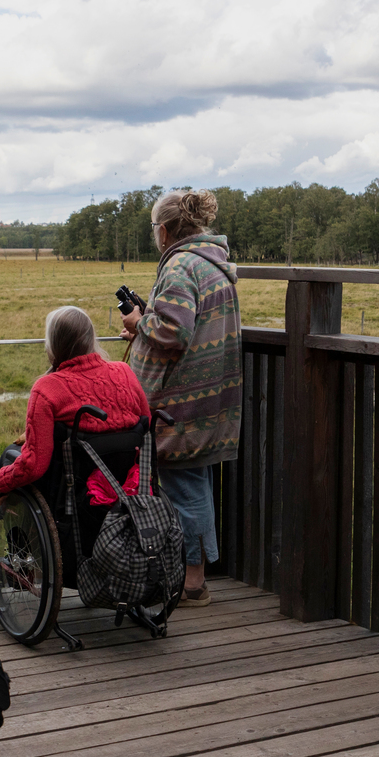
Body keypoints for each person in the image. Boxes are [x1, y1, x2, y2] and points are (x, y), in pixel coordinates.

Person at [118, 189, 242, 606]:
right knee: (195, 487)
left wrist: (139, 321)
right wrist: (144, 324)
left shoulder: (179, 266)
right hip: (208, 399)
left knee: (185, 492)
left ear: (166, 229)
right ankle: (194, 575)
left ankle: (192, 583)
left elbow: (174, 331)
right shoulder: (212, 263)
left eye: (155, 228)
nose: (155, 235)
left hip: (179, 406)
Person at [0, 306, 151, 505]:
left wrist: (0, 482)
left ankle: (19, 533)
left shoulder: (47, 388)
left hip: (74, 496)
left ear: (53, 345)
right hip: (127, 487)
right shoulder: (123, 372)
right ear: (91, 339)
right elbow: (146, 424)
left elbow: (34, 465)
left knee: (9, 455)